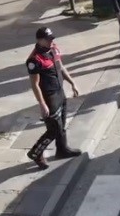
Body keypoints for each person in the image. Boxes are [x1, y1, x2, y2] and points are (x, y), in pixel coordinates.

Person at [25, 27, 81, 170]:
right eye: (48, 39)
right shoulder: (34, 60)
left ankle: (62, 150)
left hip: (59, 93)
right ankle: (36, 152)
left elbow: (61, 67)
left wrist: (72, 83)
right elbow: (35, 84)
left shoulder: (54, 49)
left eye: (52, 39)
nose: (51, 42)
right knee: (53, 130)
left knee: (61, 125)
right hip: (49, 97)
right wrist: (42, 104)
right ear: (39, 40)